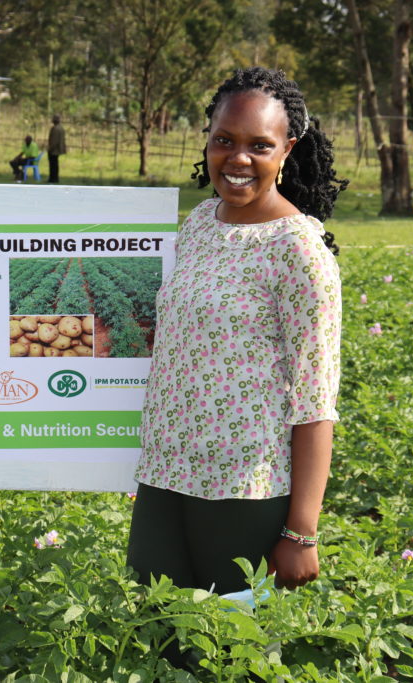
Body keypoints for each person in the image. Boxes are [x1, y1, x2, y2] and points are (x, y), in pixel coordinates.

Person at [128, 67, 347, 666]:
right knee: (158, 643)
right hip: (165, 477)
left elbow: (315, 401)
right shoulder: (200, 224)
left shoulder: (299, 250)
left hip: (242, 492)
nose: (238, 158)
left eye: (259, 145)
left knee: (233, 657)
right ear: (207, 140)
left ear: (288, 151)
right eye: (225, 139)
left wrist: (301, 530)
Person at [46, 114, 67, 183]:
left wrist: (50, 149)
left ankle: (53, 179)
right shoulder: (61, 128)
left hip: (54, 150)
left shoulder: (55, 129)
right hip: (58, 150)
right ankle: (55, 178)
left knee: (53, 165)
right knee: (55, 164)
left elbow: (54, 141)